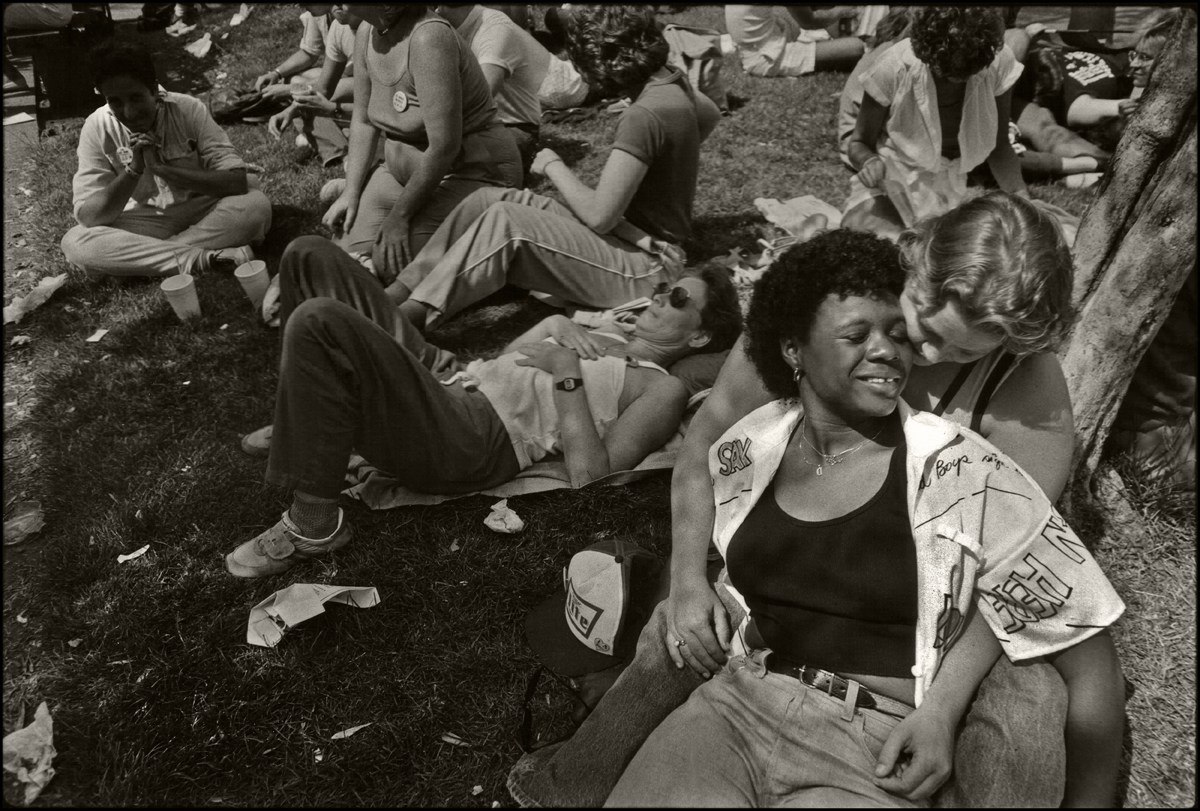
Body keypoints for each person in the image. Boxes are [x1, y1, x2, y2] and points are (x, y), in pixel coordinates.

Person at [506, 193, 1117, 808]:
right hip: (801, 543)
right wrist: (688, 578)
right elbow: (711, 434)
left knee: (1027, 703)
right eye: (924, 328)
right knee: (683, 620)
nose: (925, 355)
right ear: (917, 260)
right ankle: (573, 783)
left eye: (960, 350)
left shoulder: (1028, 388)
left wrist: (942, 705)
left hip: (934, 607)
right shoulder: (823, 300)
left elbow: (1009, 569)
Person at [223, 235, 742, 579]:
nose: (658, 298)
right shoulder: (604, 333)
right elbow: (506, 362)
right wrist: (554, 331)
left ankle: (316, 523)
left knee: (318, 320)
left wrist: (566, 371)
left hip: (471, 438)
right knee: (308, 253)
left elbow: (592, 475)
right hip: (455, 385)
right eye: (663, 289)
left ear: (699, 337)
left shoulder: (663, 388)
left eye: (677, 299)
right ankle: (312, 413)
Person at [386, 5, 722, 332]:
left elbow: (600, 216)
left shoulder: (644, 116)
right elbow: (709, 115)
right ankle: (399, 291)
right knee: (486, 199)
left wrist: (553, 164)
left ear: (603, 62)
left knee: (508, 221)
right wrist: (673, 161)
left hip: (646, 268)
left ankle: (410, 316)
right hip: (634, 237)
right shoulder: (672, 83)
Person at [320, 4, 522, 284]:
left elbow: (444, 146)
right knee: (342, 255)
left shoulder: (429, 38)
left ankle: (505, 247)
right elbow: (363, 120)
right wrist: (351, 191)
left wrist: (399, 217)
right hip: (400, 170)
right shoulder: (367, 31)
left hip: (473, 172)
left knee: (389, 265)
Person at [60, 39, 271, 279]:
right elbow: (90, 216)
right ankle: (207, 258)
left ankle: (149, 262)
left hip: (203, 208)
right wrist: (133, 171)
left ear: (153, 89)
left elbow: (235, 182)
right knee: (75, 242)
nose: (128, 112)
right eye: (115, 102)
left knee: (256, 205)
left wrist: (162, 169)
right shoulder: (97, 126)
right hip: (148, 221)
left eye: (136, 98)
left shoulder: (188, 108)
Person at [843, 7, 1026, 240]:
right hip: (890, 181)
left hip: (948, 192)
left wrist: (1022, 199)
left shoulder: (997, 63)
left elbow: (1000, 148)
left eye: (967, 73)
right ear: (924, 52)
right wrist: (868, 162)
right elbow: (858, 143)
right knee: (878, 244)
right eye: (944, 72)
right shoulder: (893, 66)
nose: (955, 80)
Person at [436, 4, 551, 176]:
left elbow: (480, 100)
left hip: (511, 127)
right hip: (461, 125)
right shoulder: (433, 27)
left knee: (440, 170)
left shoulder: (494, 26)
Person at [267, 3, 363, 167]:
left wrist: (332, 108)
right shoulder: (338, 28)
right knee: (302, 101)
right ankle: (342, 143)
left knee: (302, 94)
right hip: (355, 94)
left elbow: (360, 85)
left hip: (379, 105)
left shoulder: (371, 27)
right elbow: (325, 86)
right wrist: (291, 110)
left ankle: (344, 148)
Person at [724, 5, 884, 78]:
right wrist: (843, 10)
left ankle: (844, 36)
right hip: (768, 59)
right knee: (858, 47)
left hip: (758, 49)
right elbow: (809, 21)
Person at [252, 4, 340, 104]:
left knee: (295, 83)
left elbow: (337, 79)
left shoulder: (349, 19)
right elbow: (309, 53)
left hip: (353, 81)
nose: (298, 5)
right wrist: (276, 73)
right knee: (290, 77)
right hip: (339, 73)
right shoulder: (320, 11)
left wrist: (289, 89)